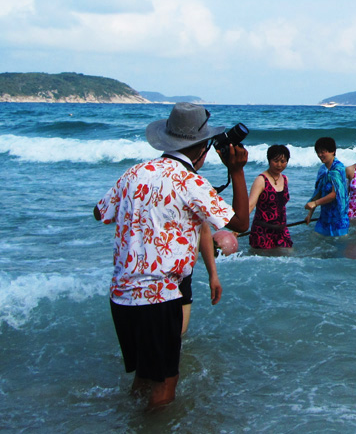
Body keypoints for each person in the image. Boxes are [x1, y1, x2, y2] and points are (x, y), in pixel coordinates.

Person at [94, 102, 249, 410]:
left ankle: (129, 422)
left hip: (122, 295)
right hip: (160, 297)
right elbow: (242, 223)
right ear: (203, 146)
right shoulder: (191, 183)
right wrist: (236, 171)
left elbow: (100, 212)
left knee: (143, 375)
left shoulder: (133, 173)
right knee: (165, 383)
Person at [182, 223, 232, 336]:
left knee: (180, 336)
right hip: (152, 277)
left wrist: (213, 275)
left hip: (183, 275)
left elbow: (204, 230)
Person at [247, 144, 292, 250]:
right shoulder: (261, 180)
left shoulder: (285, 180)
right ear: (269, 160)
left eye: (283, 161)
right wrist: (238, 229)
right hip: (262, 231)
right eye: (275, 161)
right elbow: (250, 205)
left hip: (282, 230)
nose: (279, 165)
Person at [304, 137, 349, 236]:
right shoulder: (322, 170)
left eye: (323, 152)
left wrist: (315, 203)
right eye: (318, 152)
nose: (320, 155)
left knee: (340, 247)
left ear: (332, 151)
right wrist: (310, 214)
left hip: (339, 219)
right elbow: (318, 193)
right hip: (324, 217)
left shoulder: (338, 168)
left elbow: (334, 194)